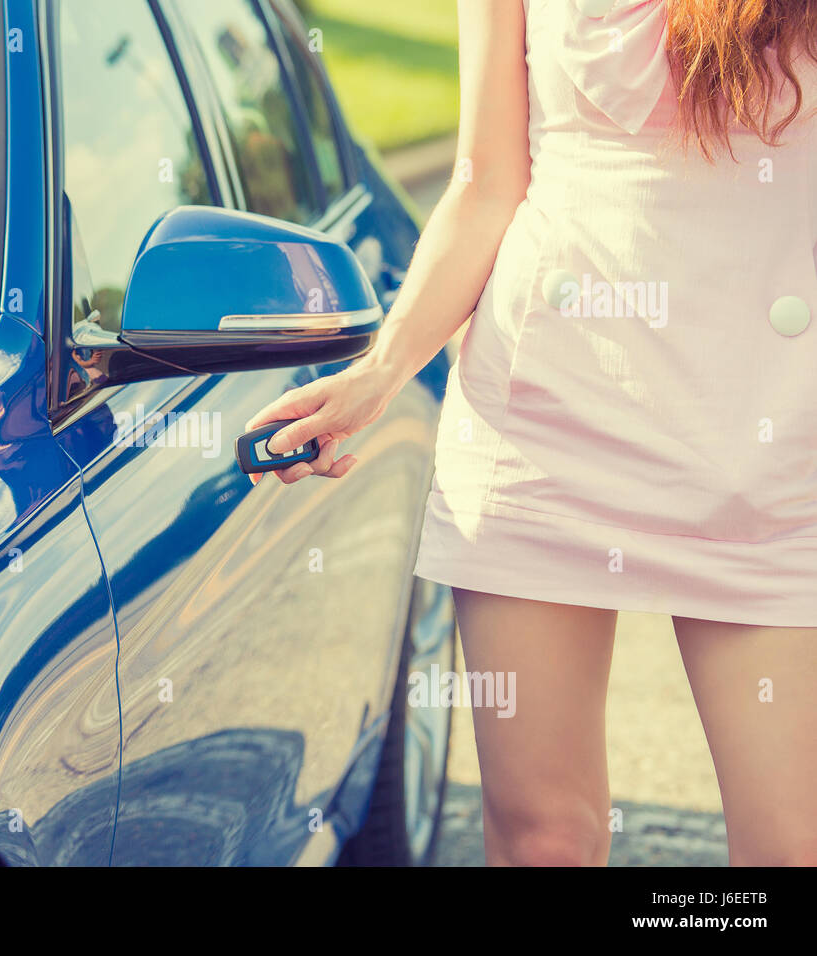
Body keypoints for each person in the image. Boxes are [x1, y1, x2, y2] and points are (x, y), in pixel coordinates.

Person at [245, 0, 817, 866]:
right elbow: (484, 185)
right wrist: (380, 371)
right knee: (541, 838)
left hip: (771, 445)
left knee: (791, 845)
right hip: (545, 417)